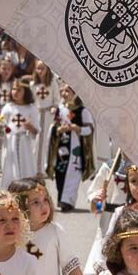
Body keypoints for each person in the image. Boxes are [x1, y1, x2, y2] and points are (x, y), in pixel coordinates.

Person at [48, 82, 94, 212]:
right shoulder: (60, 109)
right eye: (62, 91)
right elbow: (55, 126)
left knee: (73, 174)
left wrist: (77, 128)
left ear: (75, 93)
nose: (64, 94)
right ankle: (62, 199)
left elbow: (89, 129)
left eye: (67, 91)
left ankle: (68, 201)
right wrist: (59, 130)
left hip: (76, 148)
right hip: (61, 147)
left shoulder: (82, 110)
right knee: (60, 172)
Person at [0, 79, 39, 188]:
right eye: (13, 89)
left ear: (25, 92)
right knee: (9, 167)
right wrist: (0, 128)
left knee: (25, 166)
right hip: (10, 143)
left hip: (24, 144)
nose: (15, 92)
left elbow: (36, 130)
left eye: (19, 90)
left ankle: (26, 190)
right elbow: (0, 124)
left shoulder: (31, 108)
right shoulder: (7, 107)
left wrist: (30, 127)